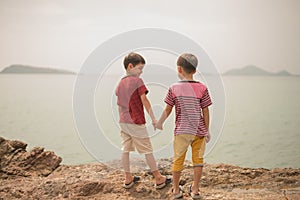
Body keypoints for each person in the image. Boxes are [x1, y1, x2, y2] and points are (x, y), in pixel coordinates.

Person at [156, 53, 212, 199]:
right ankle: (195, 190)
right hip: (198, 131)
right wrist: (207, 130)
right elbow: (205, 111)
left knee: (178, 160)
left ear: (179, 69)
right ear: (195, 70)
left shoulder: (174, 88)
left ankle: (175, 190)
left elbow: (168, 109)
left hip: (181, 132)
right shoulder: (202, 88)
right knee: (198, 161)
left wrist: (160, 122)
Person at [115, 52, 171, 189]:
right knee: (147, 150)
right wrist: (153, 119)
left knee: (125, 149)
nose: (141, 72)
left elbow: (119, 105)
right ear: (130, 66)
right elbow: (144, 100)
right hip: (136, 121)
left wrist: (121, 121)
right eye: (139, 68)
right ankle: (158, 178)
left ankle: (128, 178)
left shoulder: (120, 83)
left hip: (124, 122)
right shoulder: (137, 81)